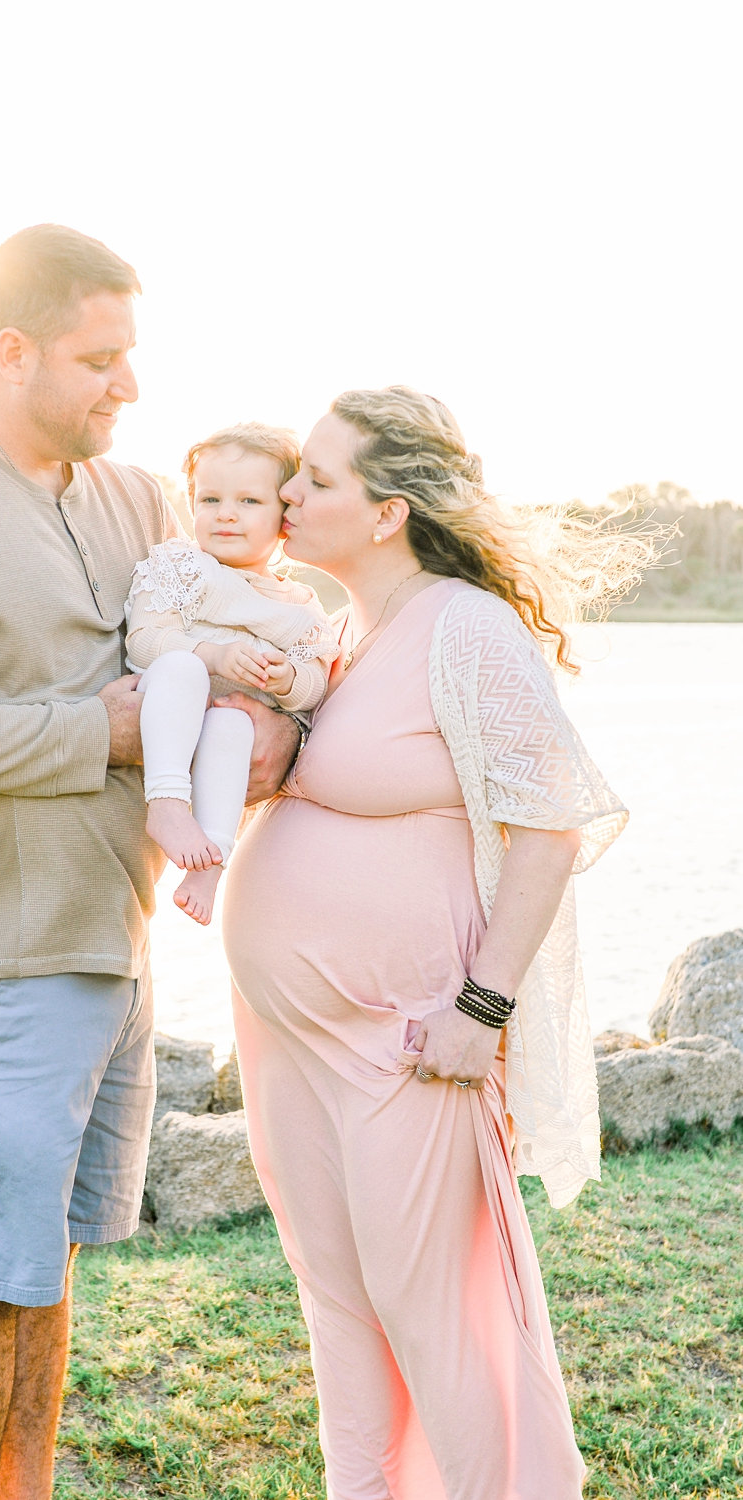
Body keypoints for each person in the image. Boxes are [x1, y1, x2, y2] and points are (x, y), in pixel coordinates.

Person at [0, 224, 298, 1500]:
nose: (127, 384)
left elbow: (231, 620)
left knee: (48, 1259)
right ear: (10, 350)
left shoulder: (133, 495)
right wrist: (100, 732)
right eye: (99, 358)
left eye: (130, 355)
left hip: (108, 936)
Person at [222, 386, 639, 1499]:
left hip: (409, 1042)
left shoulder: (464, 627)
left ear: (386, 512)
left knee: (435, 1310)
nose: (287, 490)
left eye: (315, 476)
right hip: (301, 1044)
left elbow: (549, 827)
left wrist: (481, 1012)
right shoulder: (343, 632)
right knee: (340, 1300)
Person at [125, 423, 339, 924]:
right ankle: (169, 803)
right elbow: (142, 642)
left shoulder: (297, 605)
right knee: (182, 666)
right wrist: (213, 656)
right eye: (209, 499)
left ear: (285, 517)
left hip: (223, 726)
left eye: (248, 501)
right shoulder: (179, 568)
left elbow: (315, 686)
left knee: (235, 724)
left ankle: (211, 861)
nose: (224, 513)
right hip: (167, 708)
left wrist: (287, 680)